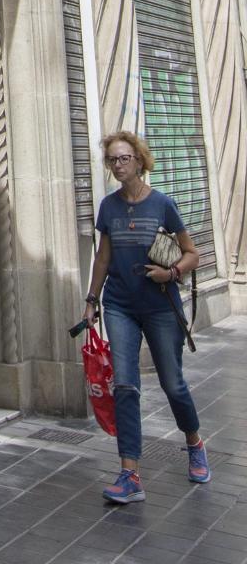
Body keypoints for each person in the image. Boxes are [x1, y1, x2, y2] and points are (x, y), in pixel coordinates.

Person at [84, 129, 208, 502]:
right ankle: (130, 475)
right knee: (124, 385)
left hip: (159, 306)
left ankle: (195, 442)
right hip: (120, 305)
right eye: (112, 160)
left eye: (124, 158)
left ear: (139, 160)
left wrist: (170, 273)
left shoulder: (163, 204)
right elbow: (103, 257)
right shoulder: (108, 207)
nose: (118, 165)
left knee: (173, 384)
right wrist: (92, 300)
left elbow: (192, 253)